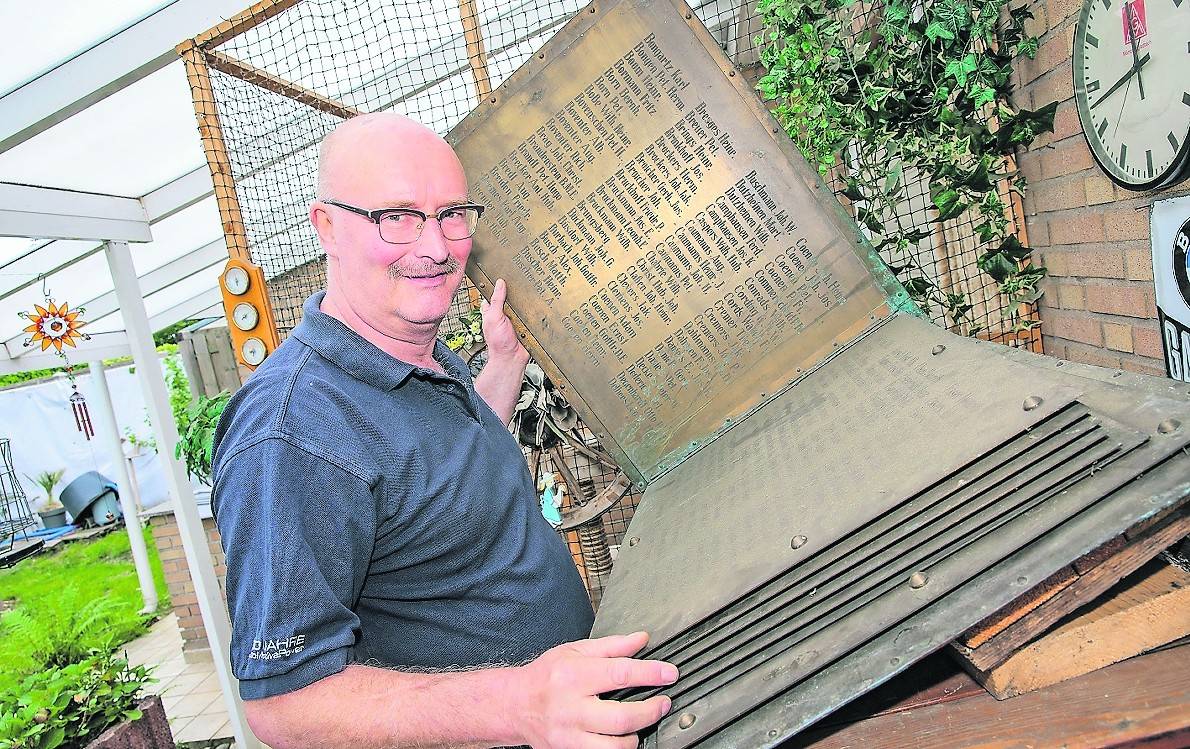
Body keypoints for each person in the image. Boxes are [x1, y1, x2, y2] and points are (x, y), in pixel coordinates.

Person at [210, 112, 677, 749]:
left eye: (452, 214)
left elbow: (435, 474)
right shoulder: (292, 434)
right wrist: (519, 703)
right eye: (396, 217)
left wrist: (503, 366)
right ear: (327, 227)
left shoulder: (421, 356)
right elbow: (285, 703)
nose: (435, 247)